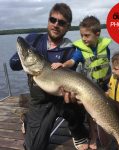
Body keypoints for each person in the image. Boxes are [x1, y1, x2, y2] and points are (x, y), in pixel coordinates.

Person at [9, 3, 89, 150]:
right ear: (48, 20)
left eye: (62, 22)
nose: (56, 24)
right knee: (34, 147)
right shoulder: (33, 39)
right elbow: (13, 64)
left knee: (80, 104)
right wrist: (24, 58)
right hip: (40, 101)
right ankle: (27, 118)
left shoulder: (71, 49)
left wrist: (72, 95)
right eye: (53, 20)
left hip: (62, 98)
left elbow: (73, 78)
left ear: (68, 27)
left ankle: (76, 130)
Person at [51, 16, 112, 149]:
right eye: (81, 35)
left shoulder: (105, 48)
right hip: (89, 90)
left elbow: (106, 66)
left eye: (86, 35)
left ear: (97, 34)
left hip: (105, 87)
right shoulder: (80, 50)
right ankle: (93, 137)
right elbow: (72, 61)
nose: (83, 38)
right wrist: (63, 65)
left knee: (109, 112)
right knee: (91, 116)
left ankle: (107, 134)